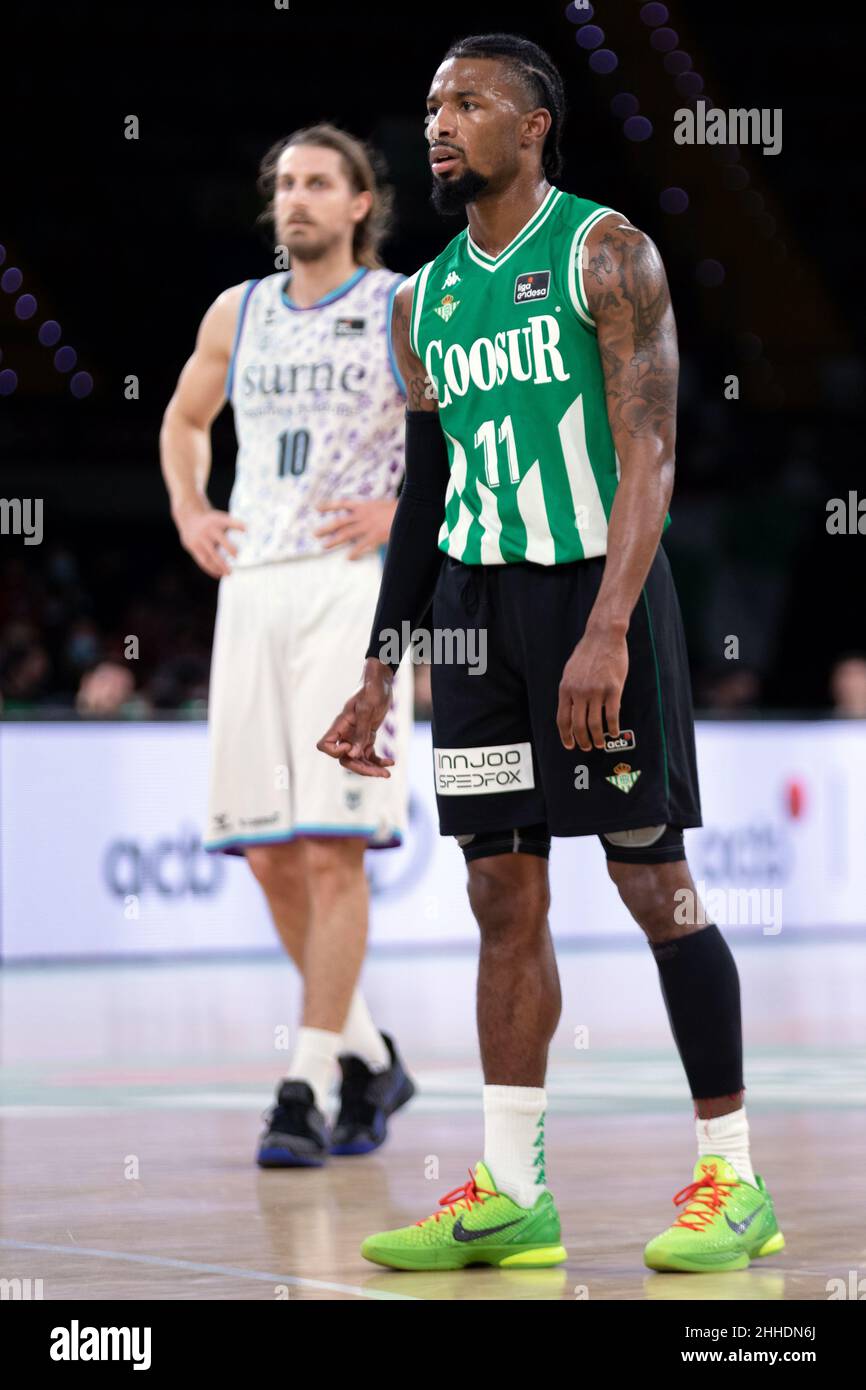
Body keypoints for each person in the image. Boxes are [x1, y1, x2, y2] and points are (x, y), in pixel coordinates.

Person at [318, 34, 784, 1272]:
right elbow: (425, 491)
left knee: (652, 885)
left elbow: (651, 453)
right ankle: (512, 1190)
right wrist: (379, 667)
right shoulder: (417, 301)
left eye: (467, 102)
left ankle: (731, 1179)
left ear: (532, 128)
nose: (438, 122)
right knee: (496, 895)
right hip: (475, 617)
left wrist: (607, 627)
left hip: (597, 595)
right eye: (428, 104)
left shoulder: (603, 251)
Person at [161, 124, 416, 1168]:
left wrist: (402, 510)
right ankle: (367, 1054)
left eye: (319, 182)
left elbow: (477, 433)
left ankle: (304, 1084)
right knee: (264, 850)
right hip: (254, 586)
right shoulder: (240, 308)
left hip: (352, 594)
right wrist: (190, 509)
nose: (295, 199)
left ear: (361, 202)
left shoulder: (404, 305)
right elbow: (185, 418)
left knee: (331, 846)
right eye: (284, 185)